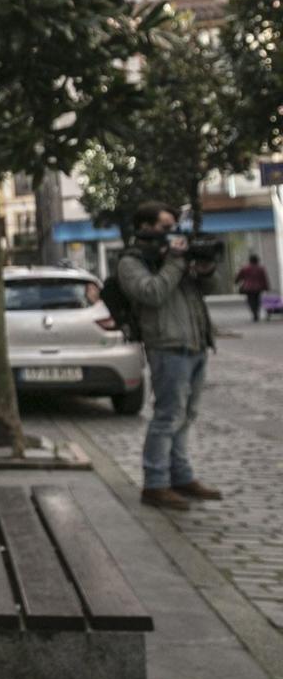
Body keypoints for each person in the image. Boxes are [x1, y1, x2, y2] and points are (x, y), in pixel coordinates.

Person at [117, 202, 220, 511]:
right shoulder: (132, 261)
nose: (172, 232)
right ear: (145, 227)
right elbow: (152, 293)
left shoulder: (172, 257)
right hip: (167, 346)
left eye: (174, 225)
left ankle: (181, 476)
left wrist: (204, 269)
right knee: (167, 416)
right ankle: (155, 483)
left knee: (187, 415)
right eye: (165, 227)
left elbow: (207, 290)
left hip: (195, 343)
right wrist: (175, 261)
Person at [235, 252, 269, 323]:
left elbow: (239, 276)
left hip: (248, 288)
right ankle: (256, 312)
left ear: (250, 260)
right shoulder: (261, 269)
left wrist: (236, 281)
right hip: (258, 288)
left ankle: (254, 313)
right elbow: (264, 278)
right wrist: (266, 287)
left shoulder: (245, 268)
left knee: (250, 301)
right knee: (257, 300)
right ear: (257, 260)